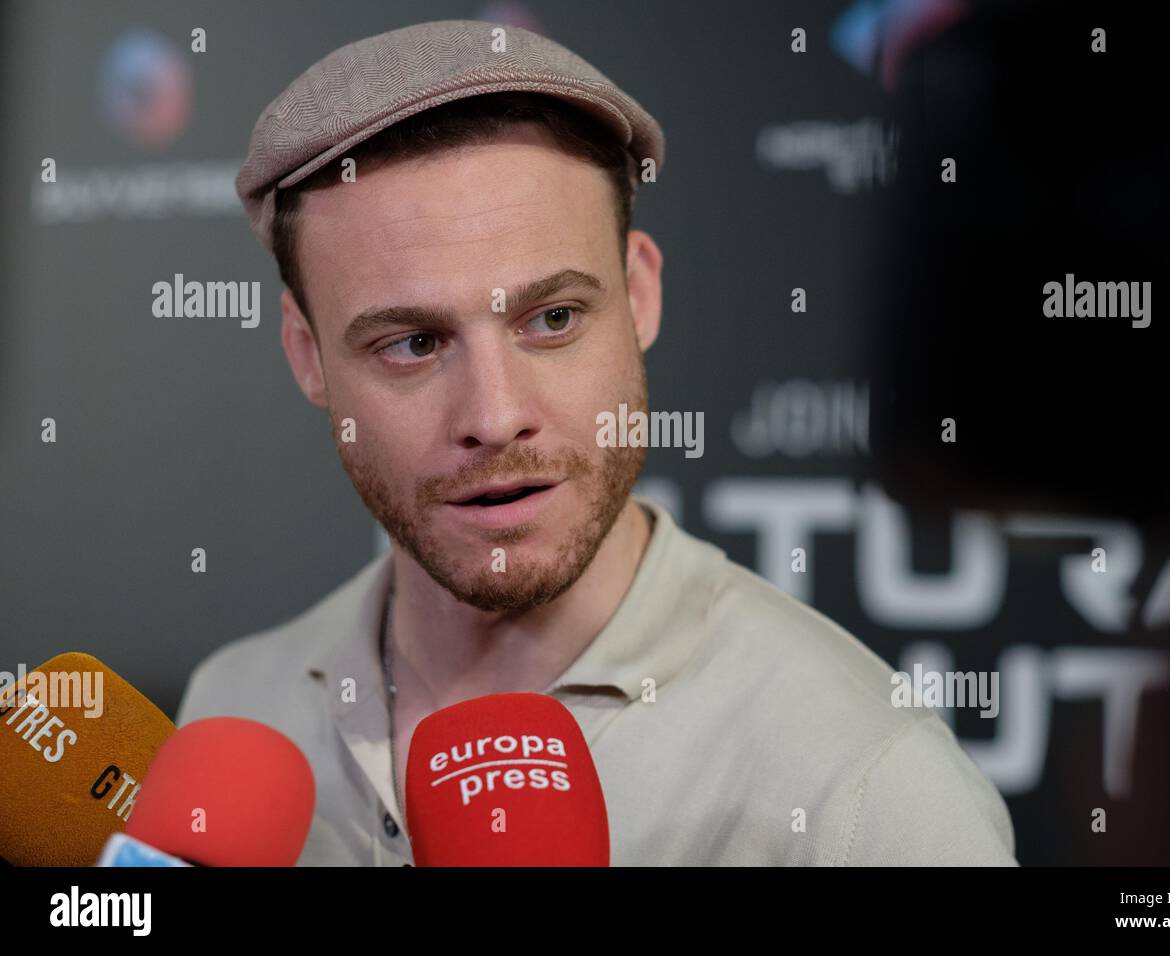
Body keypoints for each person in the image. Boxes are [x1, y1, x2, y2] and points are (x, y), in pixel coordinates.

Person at [177, 18, 1016, 866]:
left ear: (640, 294)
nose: (495, 416)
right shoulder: (235, 710)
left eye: (553, 318)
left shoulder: (864, 788)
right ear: (308, 356)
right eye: (413, 343)